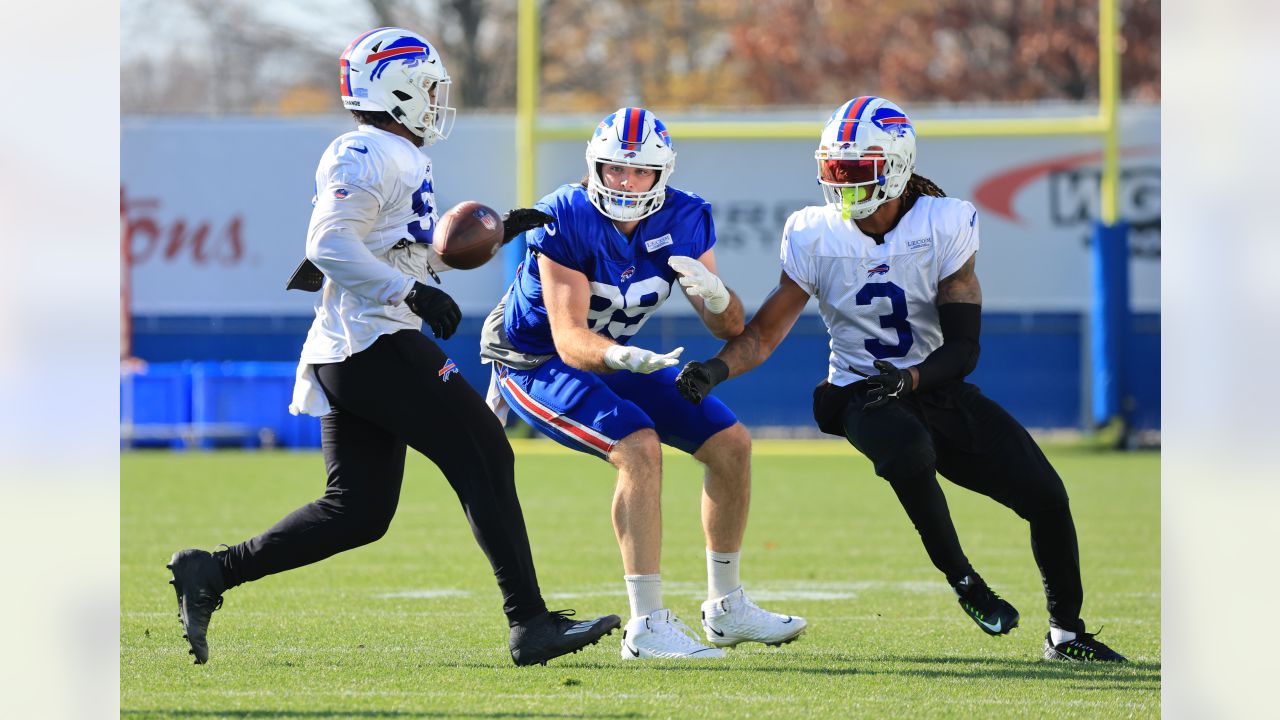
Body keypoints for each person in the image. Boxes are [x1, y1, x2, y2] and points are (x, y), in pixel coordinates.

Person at [166, 27, 620, 667]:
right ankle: (530, 623)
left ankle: (211, 572)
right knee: (486, 451)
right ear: (397, 87)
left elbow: (390, 243)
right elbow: (328, 244)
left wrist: (485, 237)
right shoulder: (364, 151)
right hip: (371, 342)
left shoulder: (397, 154)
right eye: (429, 88)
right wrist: (411, 295)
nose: (436, 101)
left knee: (359, 512)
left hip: (356, 346)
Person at [675, 96, 1127, 662]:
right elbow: (764, 333)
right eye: (833, 170)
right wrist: (714, 371)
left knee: (1048, 497)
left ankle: (1066, 634)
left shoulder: (944, 223)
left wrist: (912, 380)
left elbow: (965, 349)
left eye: (854, 171)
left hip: (933, 384)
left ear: (895, 165)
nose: (840, 185)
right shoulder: (815, 233)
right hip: (858, 392)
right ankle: (964, 580)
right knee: (909, 450)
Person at [479, 107, 806, 660]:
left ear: (662, 174)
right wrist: (621, 354)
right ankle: (647, 624)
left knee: (731, 445)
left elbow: (728, 328)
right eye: (612, 170)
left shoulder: (686, 217)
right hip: (534, 361)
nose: (624, 182)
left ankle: (726, 608)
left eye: (638, 172)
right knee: (638, 448)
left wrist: (716, 292)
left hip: (620, 356)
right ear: (594, 167)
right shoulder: (566, 214)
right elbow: (568, 340)